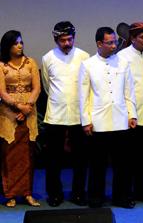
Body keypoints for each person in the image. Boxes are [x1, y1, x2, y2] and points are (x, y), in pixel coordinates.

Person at [79, 27, 137, 208]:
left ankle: (122, 197)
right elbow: (83, 95)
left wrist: (132, 114)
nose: (114, 45)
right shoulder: (88, 65)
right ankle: (96, 198)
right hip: (98, 121)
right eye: (110, 42)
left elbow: (129, 92)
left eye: (114, 42)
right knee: (98, 164)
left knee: (123, 164)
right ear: (99, 44)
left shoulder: (123, 63)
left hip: (121, 120)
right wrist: (86, 121)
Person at [41, 21, 90, 207]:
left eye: (70, 39)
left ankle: (78, 194)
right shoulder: (47, 58)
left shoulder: (84, 56)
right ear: (56, 39)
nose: (67, 43)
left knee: (81, 159)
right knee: (53, 159)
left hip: (79, 115)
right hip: (55, 115)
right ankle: (54, 194)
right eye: (63, 40)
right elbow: (47, 85)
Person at [117, 22, 143, 203]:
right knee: (129, 159)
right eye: (141, 37)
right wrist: (129, 113)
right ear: (132, 38)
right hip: (130, 116)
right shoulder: (122, 56)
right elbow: (122, 89)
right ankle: (127, 193)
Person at [0, 30, 41, 207]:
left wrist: (27, 108)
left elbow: (37, 88)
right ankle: (10, 194)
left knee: (27, 154)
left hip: (29, 112)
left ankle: (27, 193)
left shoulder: (31, 62)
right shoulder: (1, 65)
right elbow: (1, 92)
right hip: (8, 113)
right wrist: (18, 107)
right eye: (16, 43)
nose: (20, 46)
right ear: (7, 46)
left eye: (21, 43)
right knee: (10, 155)